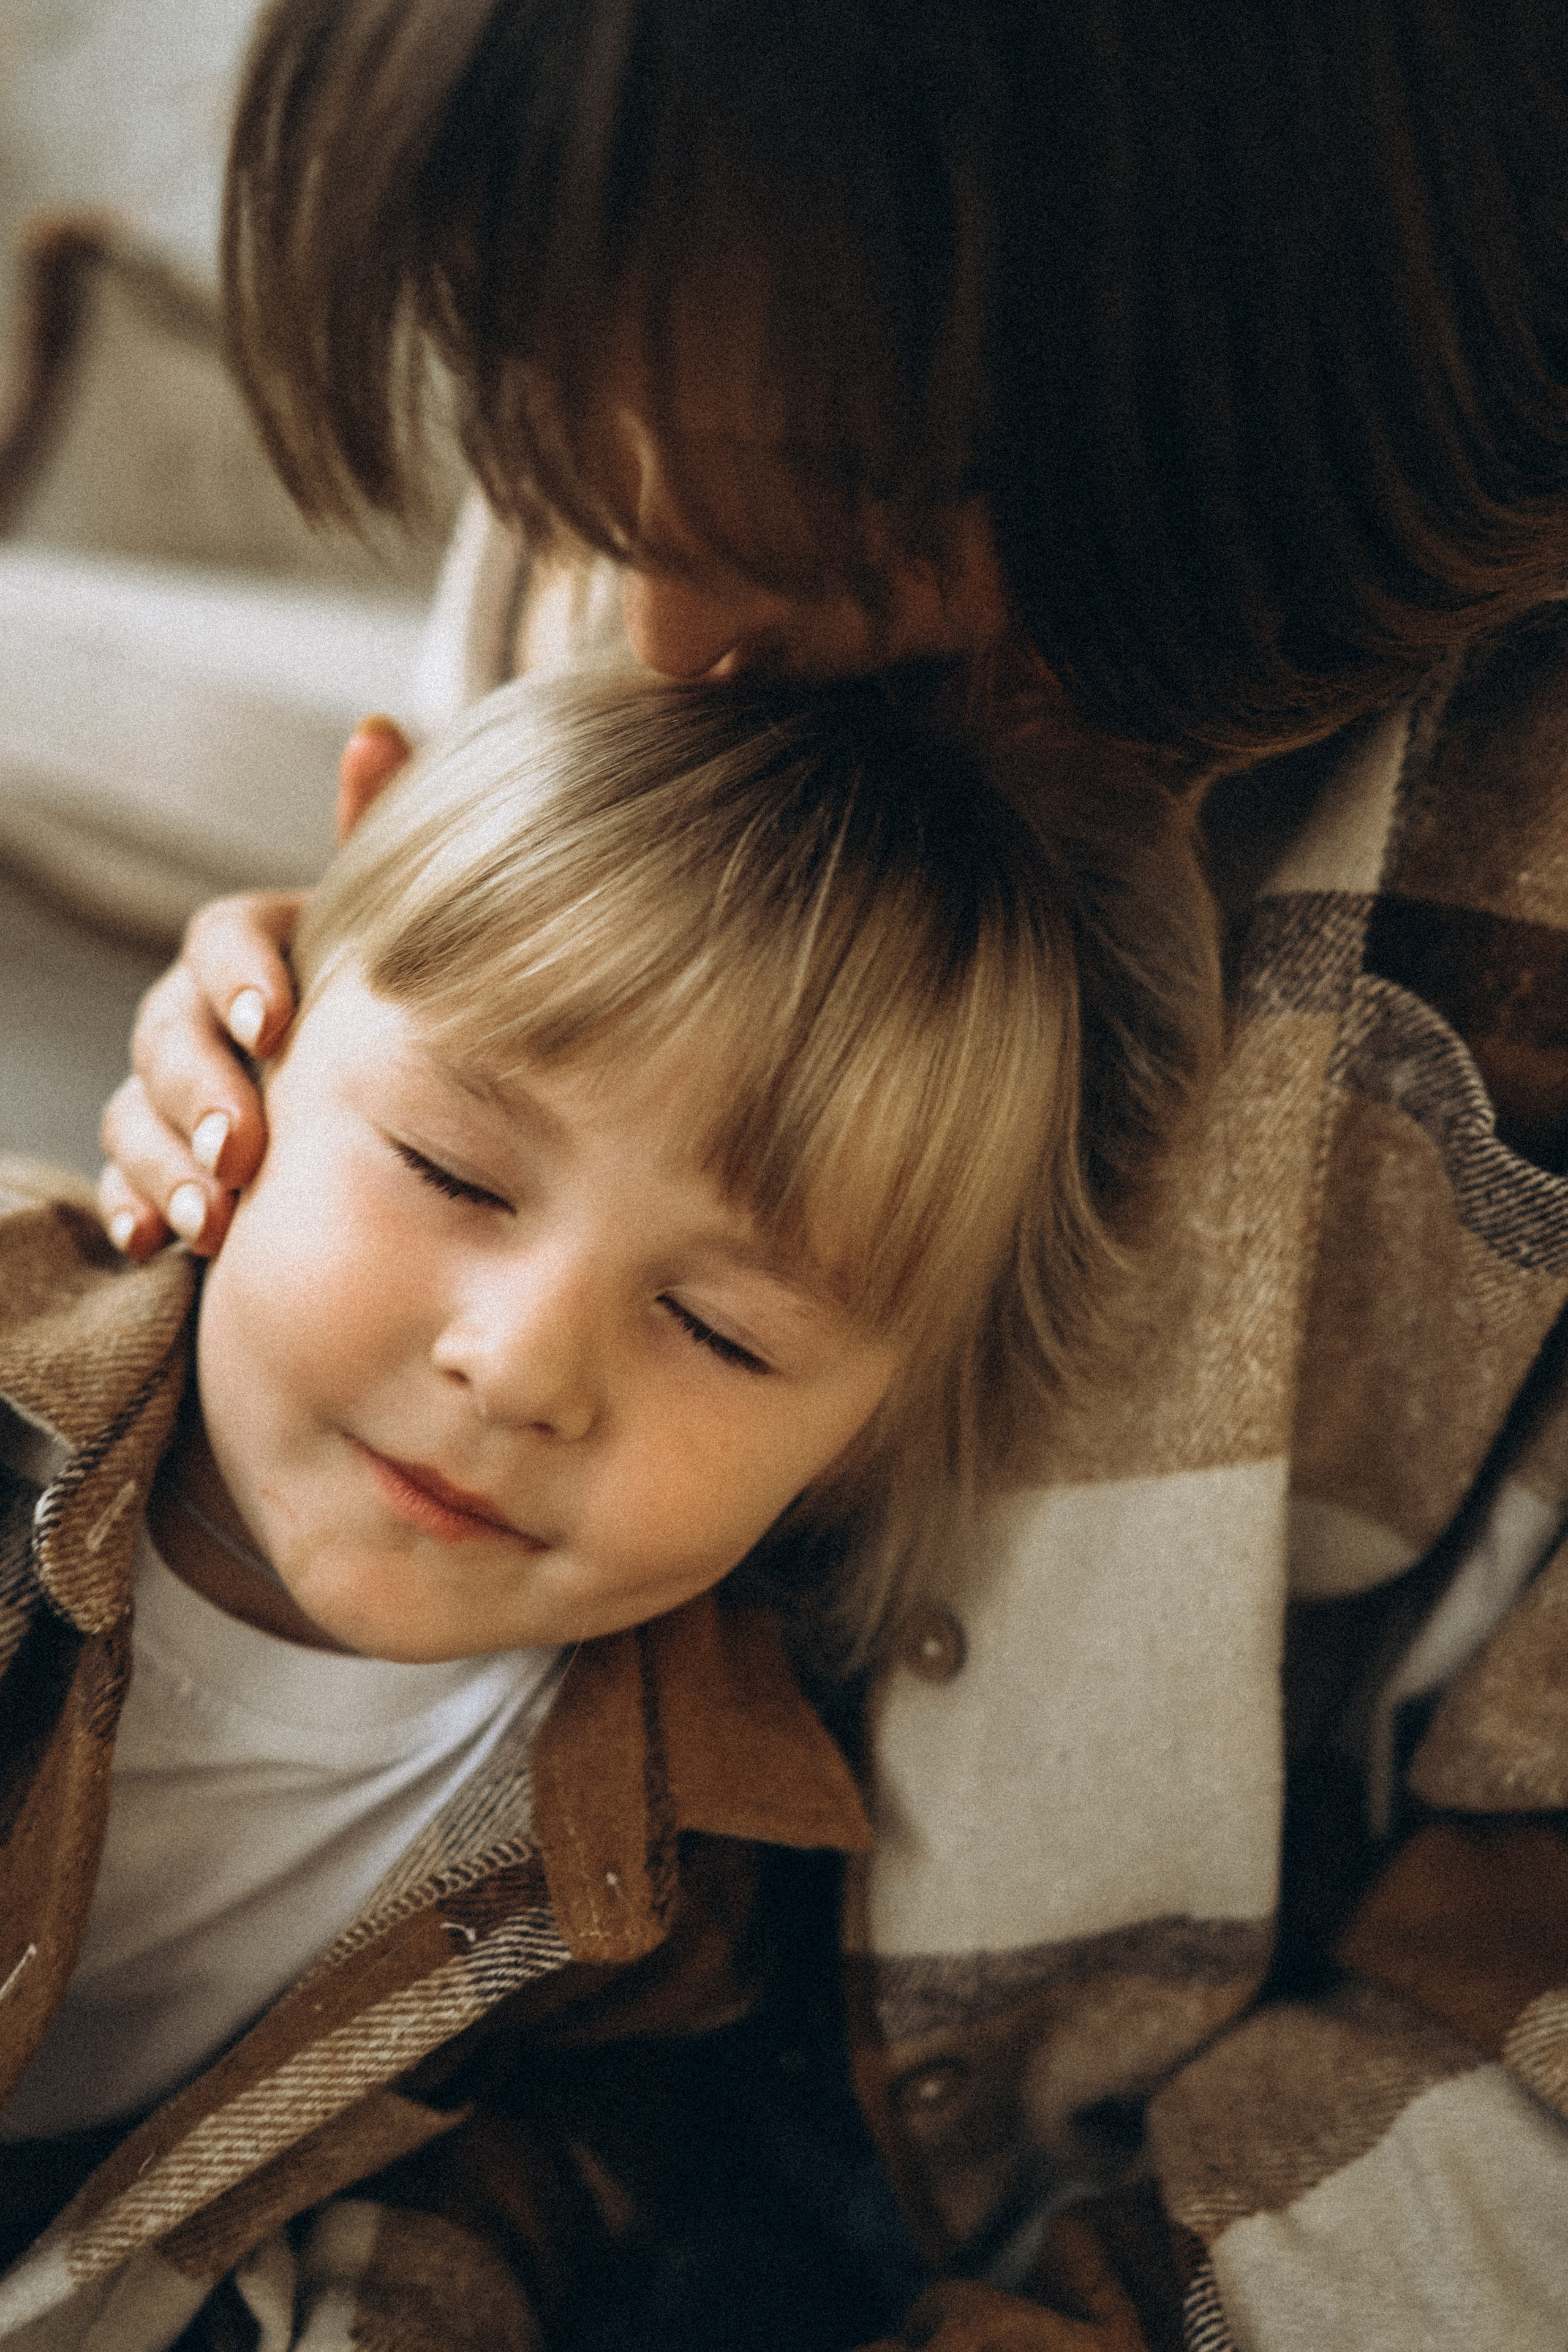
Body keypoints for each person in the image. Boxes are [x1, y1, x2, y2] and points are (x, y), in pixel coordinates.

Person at [98, 3, 1568, 2345]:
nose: (662, 641)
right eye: (591, 500)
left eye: (841, 524)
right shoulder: (694, 404)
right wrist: (343, 1019)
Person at [0, 668, 1217, 2350]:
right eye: (451, 1169)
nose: (518, 1370)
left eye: (723, 1331)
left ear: (857, 1449)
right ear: (264, 1024)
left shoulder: (687, 1875)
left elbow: (503, 2200)